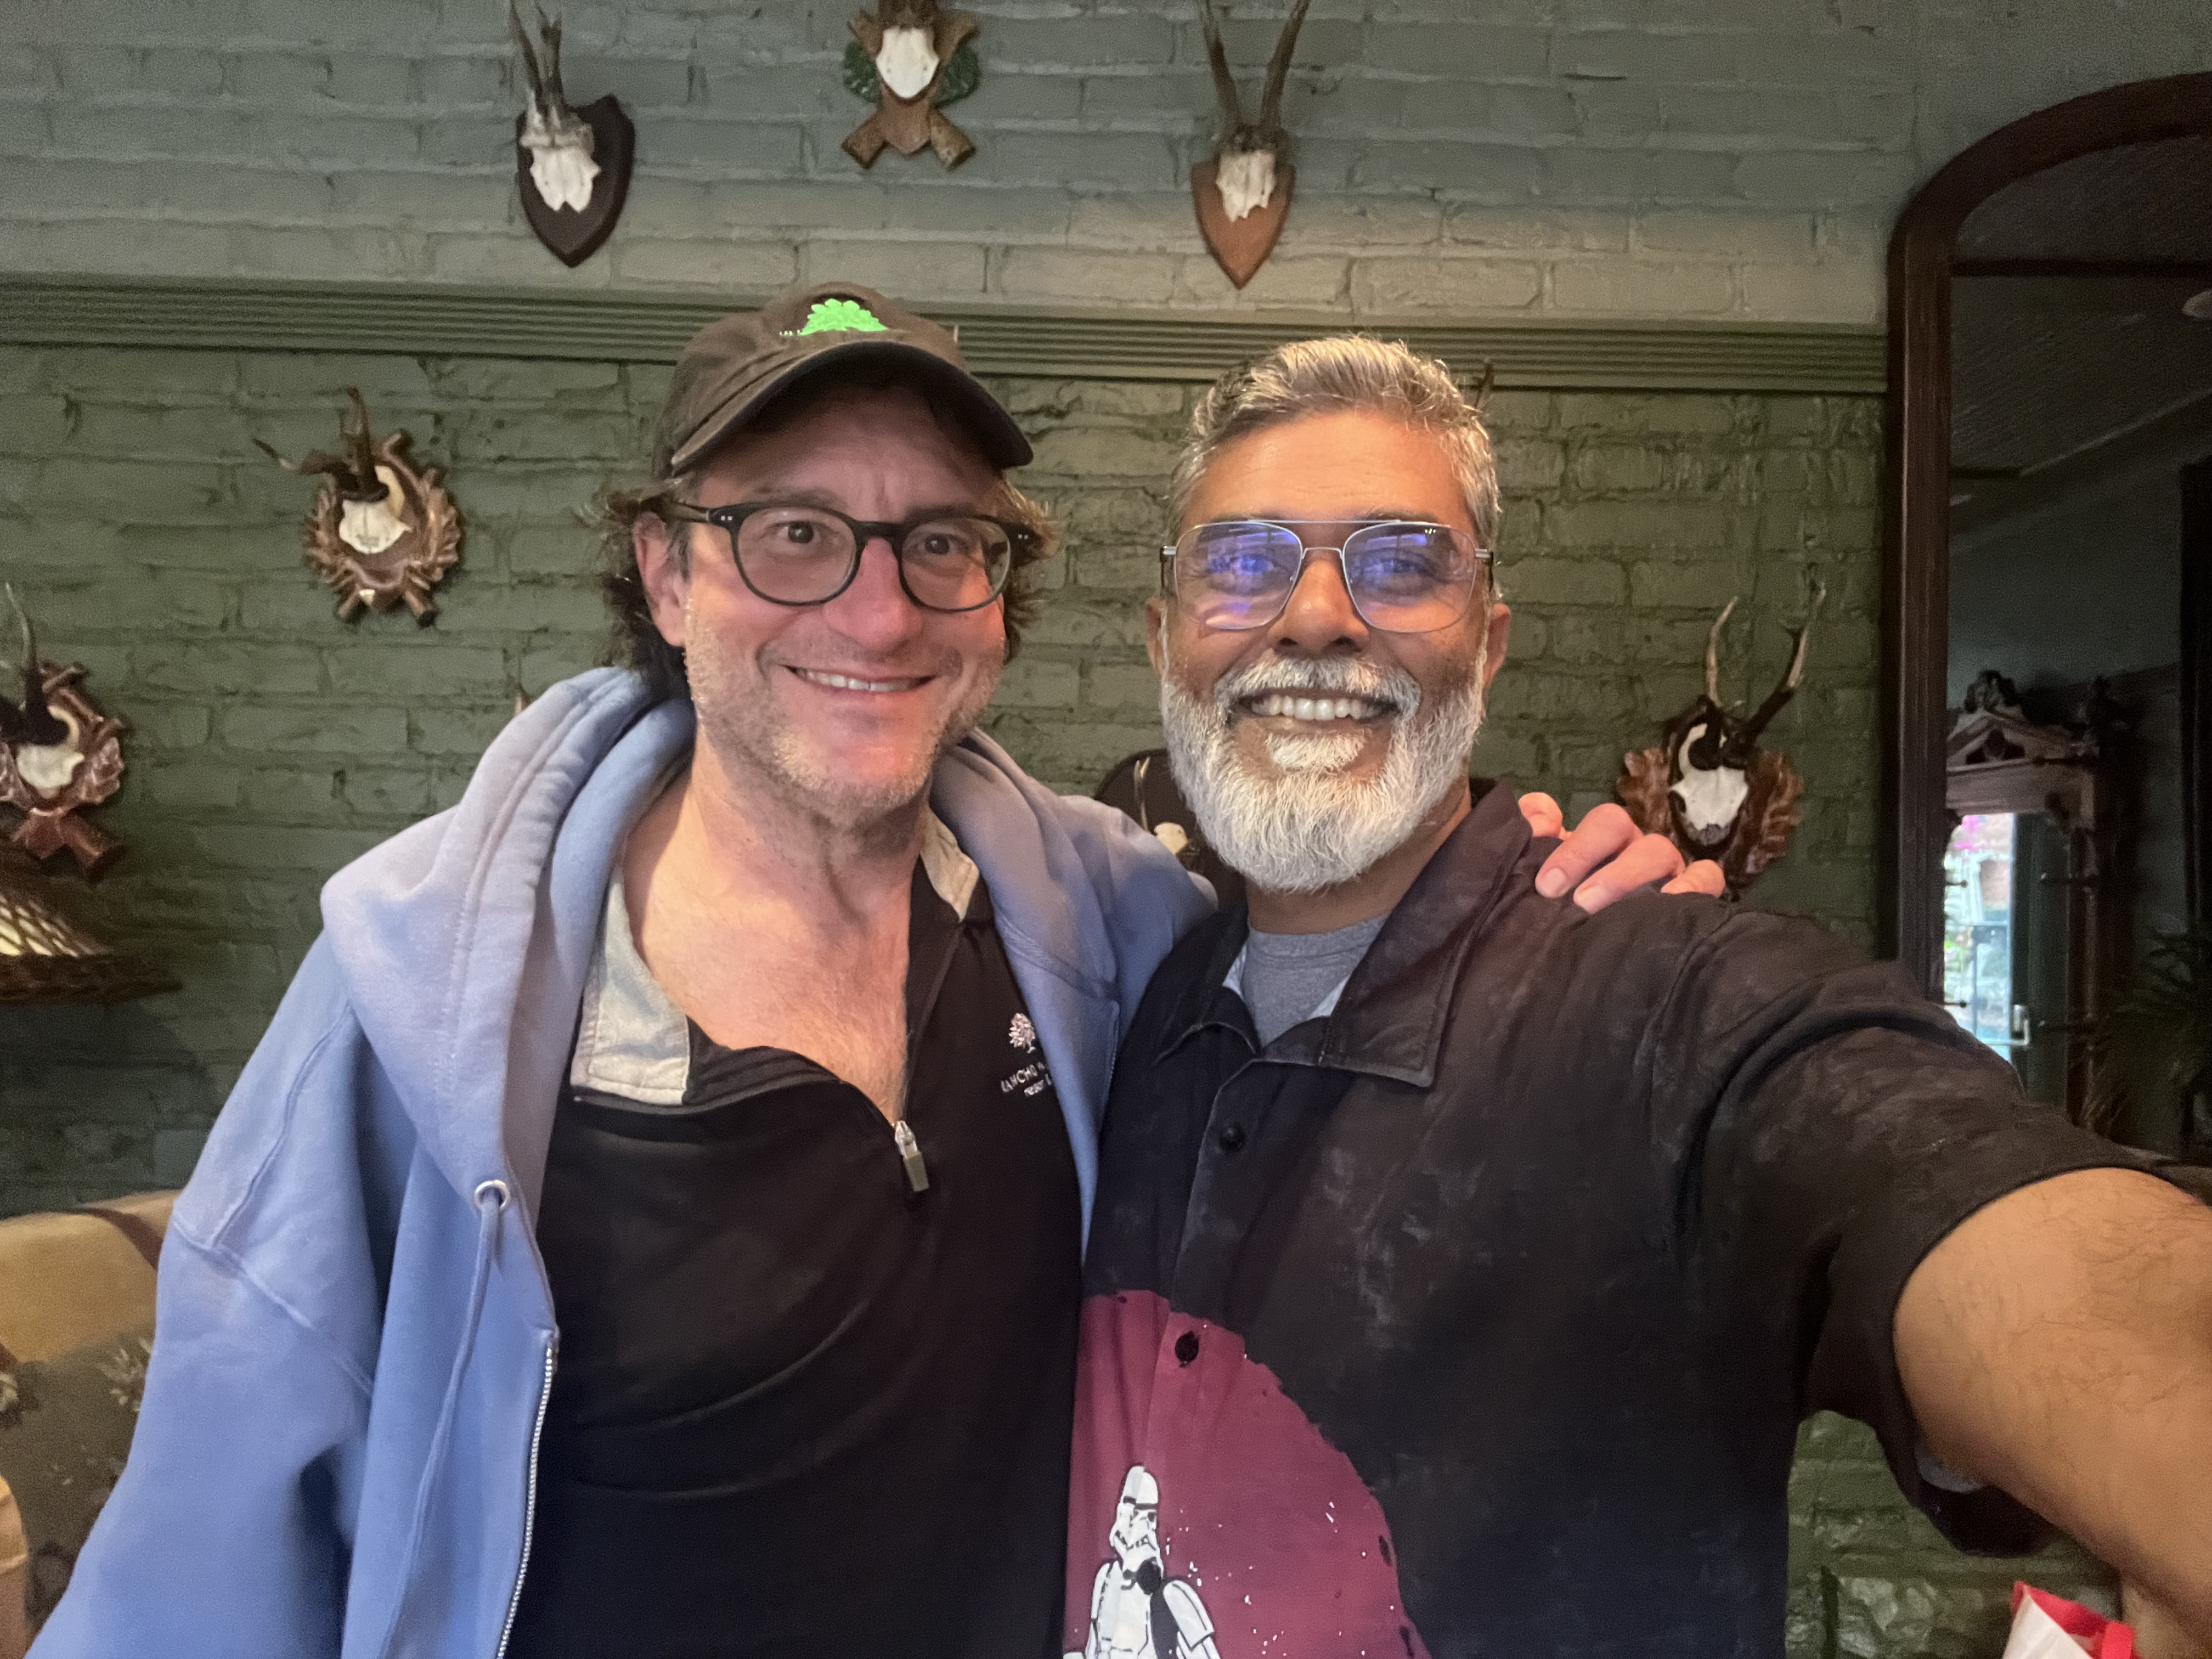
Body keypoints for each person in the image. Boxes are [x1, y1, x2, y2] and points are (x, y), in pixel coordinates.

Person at [32, 285, 1705, 1659]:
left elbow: (1358, 940)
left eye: (939, 545)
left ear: (999, 597)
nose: (878, 610)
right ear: (668, 573)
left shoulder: (1109, 933)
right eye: (792, 535)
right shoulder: (421, 1014)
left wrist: (1550, 885)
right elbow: (197, 1569)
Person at [1065, 335, 2212, 1659]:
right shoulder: (1140, 1005)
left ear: (1487, 647)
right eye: (1245, 561)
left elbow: (1936, 1177)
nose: (1315, 616)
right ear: (1164, 639)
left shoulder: (1688, 1006)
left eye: (1398, 564)